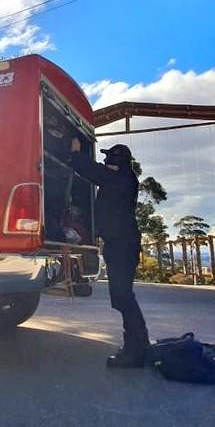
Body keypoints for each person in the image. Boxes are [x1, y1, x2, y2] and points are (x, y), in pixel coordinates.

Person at [69, 138, 149, 368]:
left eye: (108, 157)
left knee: (123, 297)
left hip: (122, 246)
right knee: (123, 297)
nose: (104, 160)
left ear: (116, 161)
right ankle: (139, 345)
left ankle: (134, 352)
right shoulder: (124, 179)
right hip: (122, 244)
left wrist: (75, 154)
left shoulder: (119, 180)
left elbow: (89, 170)